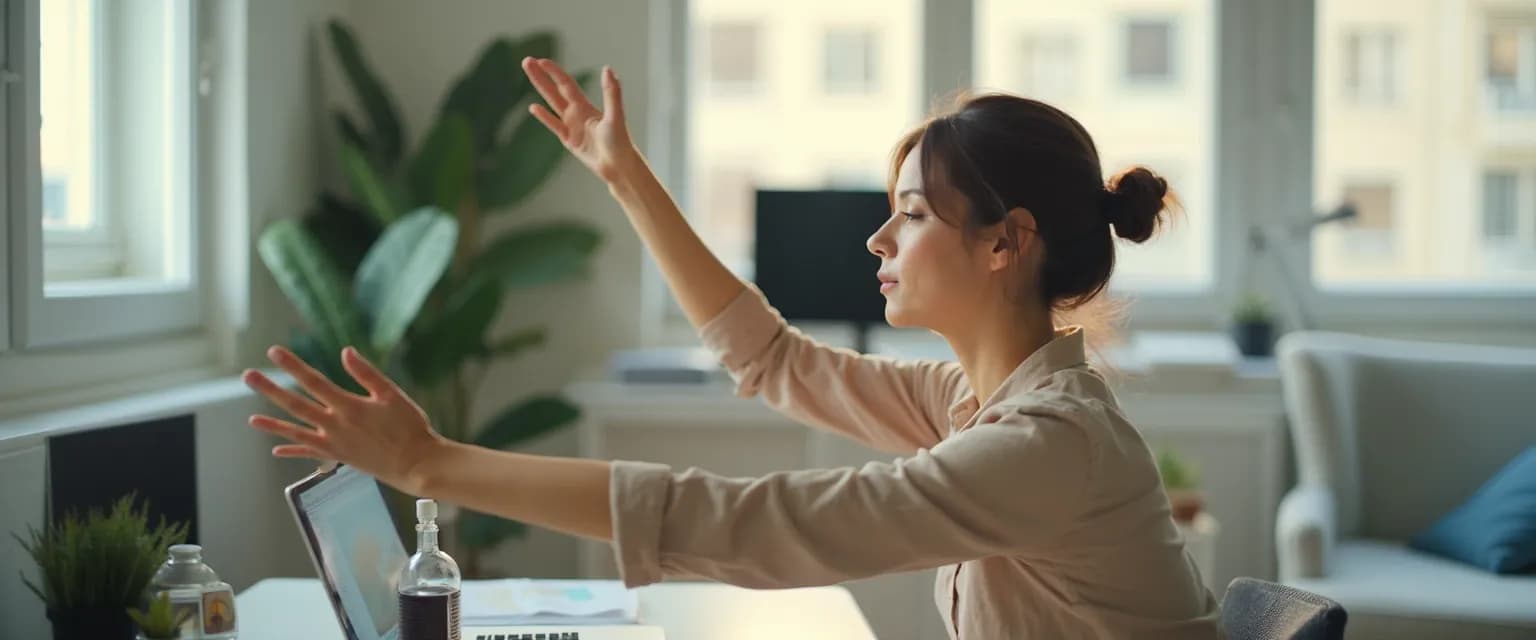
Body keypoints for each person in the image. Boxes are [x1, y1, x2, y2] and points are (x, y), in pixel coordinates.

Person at [242, 57, 1222, 638]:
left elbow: (756, 524)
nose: (879, 242)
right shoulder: (977, 402)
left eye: (912, 216)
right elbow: (775, 361)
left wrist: (430, 461)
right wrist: (625, 176)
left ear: (1007, 243)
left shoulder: (1048, 445)